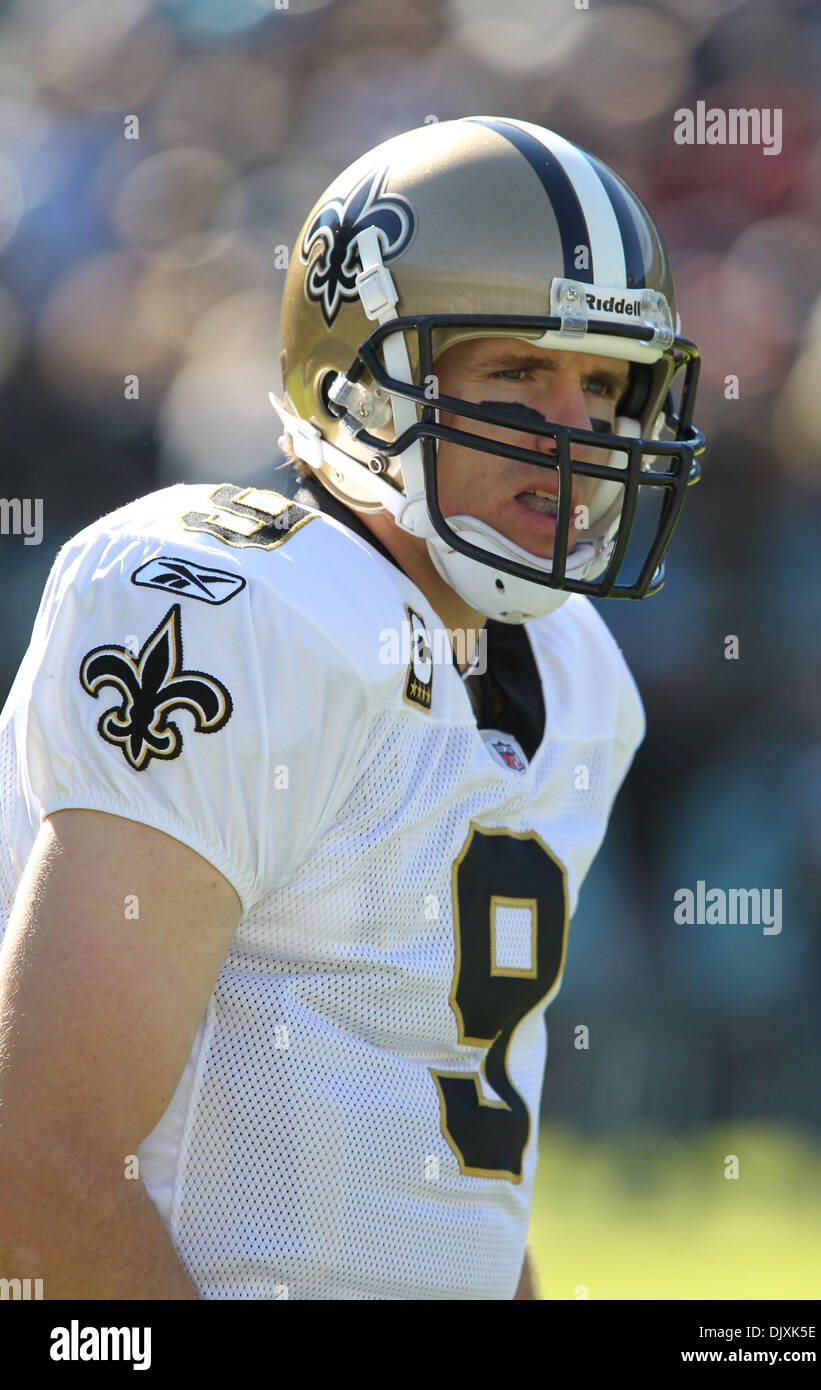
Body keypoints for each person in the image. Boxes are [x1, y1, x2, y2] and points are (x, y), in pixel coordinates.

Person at [0, 116, 704, 1300]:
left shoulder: (577, 674)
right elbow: (35, 1164)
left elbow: (451, 1171)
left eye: (604, 381)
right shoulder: (240, 611)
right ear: (361, 383)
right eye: (520, 371)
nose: (576, 432)